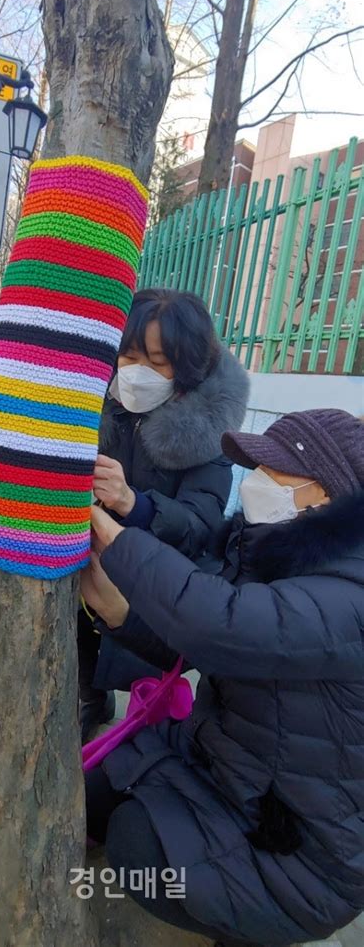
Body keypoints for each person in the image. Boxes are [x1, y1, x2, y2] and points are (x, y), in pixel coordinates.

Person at [81, 409, 364, 947]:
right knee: (90, 792)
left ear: (322, 495)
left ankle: (246, 928)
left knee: (134, 849)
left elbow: (219, 622)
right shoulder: (274, 551)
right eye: (253, 465)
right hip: (228, 762)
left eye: (271, 470)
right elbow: (198, 638)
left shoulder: (351, 595)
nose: (253, 480)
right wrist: (121, 615)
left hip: (301, 849)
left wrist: (116, 543)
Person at [79, 288, 249, 741]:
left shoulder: (209, 434)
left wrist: (132, 503)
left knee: (140, 672)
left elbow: (200, 525)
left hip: (160, 580)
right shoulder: (100, 405)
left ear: (187, 367)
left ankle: (146, 715)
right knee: (80, 633)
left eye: (156, 362)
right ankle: (90, 698)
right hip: (92, 559)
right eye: (129, 356)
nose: (137, 374)